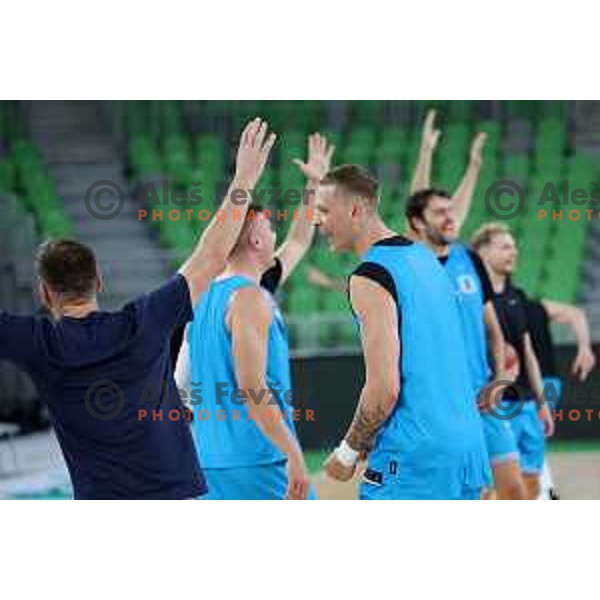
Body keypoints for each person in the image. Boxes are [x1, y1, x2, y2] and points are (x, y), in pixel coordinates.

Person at [0, 118, 274, 499]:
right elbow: (210, 258)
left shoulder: (37, 343)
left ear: (46, 293)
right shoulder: (143, 322)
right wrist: (243, 181)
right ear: (99, 281)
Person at [176, 134, 334, 499]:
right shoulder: (249, 299)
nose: (276, 232)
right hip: (260, 461)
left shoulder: (199, 297)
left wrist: (313, 183)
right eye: (268, 227)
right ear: (258, 242)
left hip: (209, 462)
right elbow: (252, 388)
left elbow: (297, 242)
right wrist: (293, 452)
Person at [318, 164, 488, 500]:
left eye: (323, 210)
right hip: (467, 449)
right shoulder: (427, 259)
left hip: (415, 458)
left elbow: (384, 390)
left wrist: (347, 451)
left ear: (354, 210)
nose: (316, 221)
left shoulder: (370, 275)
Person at [472, 223, 555, 499]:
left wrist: (542, 403)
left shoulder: (517, 297)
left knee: (531, 480)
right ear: (482, 251)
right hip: (494, 406)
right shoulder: (471, 300)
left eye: (514, 246)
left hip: (527, 403)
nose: (514, 252)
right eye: (505, 246)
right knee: (491, 486)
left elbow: (527, 353)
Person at [525, 298, 596, 498]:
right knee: (531, 439)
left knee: (529, 439)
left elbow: (576, 314)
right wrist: (584, 347)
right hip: (546, 383)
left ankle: (545, 492)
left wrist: (584, 347)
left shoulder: (526, 306)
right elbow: (576, 314)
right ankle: (546, 490)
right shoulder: (535, 305)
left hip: (538, 384)